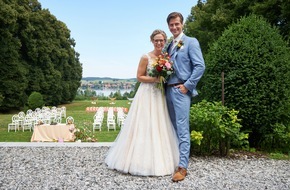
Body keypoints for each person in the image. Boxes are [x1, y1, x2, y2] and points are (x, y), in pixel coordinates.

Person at [105, 29, 179, 176]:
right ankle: (137, 161)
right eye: (156, 40)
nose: (159, 42)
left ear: (165, 42)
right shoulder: (146, 57)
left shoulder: (166, 58)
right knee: (144, 123)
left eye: (161, 40)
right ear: (152, 41)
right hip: (146, 94)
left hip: (159, 95)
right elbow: (139, 77)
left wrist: (163, 77)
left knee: (159, 124)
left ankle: (161, 160)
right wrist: (155, 79)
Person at [165, 12, 205, 182]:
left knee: (182, 128)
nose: (174, 27)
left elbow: (200, 66)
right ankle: (172, 160)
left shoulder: (191, 42)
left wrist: (187, 86)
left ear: (182, 24)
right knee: (171, 126)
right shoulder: (169, 45)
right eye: (171, 25)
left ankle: (182, 167)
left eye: (177, 24)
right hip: (167, 90)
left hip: (181, 91)